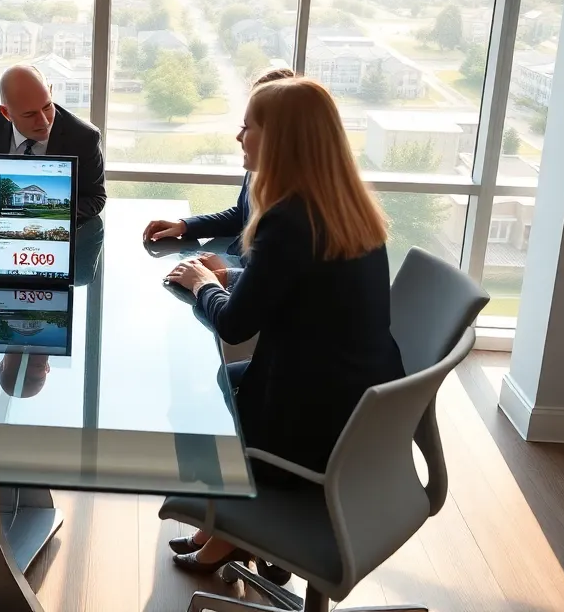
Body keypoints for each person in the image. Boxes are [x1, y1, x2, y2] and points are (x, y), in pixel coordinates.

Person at [162, 77, 405, 573]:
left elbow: (234, 324)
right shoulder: (344, 205)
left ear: (276, 140)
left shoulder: (289, 218)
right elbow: (302, 283)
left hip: (311, 421)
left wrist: (200, 283)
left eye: (246, 128)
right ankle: (225, 529)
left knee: (203, 404)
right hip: (359, 402)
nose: (239, 138)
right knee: (228, 381)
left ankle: (234, 528)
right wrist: (229, 273)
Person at [143, 67, 295, 287]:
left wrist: (218, 277)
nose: (239, 136)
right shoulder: (258, 171)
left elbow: (276, 281)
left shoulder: (293, 207)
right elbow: (240, 216)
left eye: (248, 126)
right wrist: (184, 226)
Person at [0, 64, 107, 221]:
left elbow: (96, 198)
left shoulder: (84, 136)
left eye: (47, 106)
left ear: (51, 91)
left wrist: (40, 216)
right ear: (6, 113)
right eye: (30, 114)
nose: (44, 122)